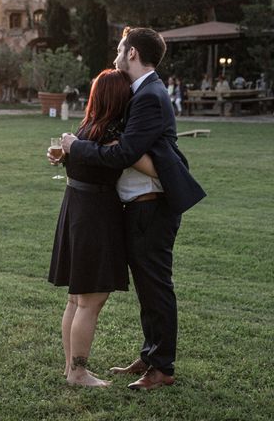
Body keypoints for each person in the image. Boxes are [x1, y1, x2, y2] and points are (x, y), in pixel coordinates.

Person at [61, 26, 206, 390]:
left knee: (156, 286)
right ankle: (150, 354)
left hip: (152, 206)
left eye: (120, 48)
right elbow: (122, 144)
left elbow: (124, 153)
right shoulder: (141, 93)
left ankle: (162, 368)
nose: (115, 55)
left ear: (132, 54)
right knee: (147, 287)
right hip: (138, 205)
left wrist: (76, 148)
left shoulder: (150, 95)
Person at [48, 69, 160, 387]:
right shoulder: (111, 137)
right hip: (96, 216)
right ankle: (79, 372)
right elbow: (147, 165)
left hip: (76, 211)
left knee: (76, 299)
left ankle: (71, 369)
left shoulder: (84, 131)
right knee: (89, 301)